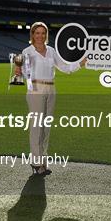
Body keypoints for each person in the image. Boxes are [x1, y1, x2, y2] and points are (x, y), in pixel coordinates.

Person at [15, 22, 86, 176]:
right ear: (32, 35)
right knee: (37, 128)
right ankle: (36, 163)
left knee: (46, 128)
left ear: (46, 35)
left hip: (51, 89)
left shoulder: (51, 51)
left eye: (43, 33)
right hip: (35, 90)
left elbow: (65, 68)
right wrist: (18, 67)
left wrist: (80, 64)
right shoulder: (27, 51)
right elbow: (24, 72)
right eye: (37, 33)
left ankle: (43, 161)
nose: (40, 36)